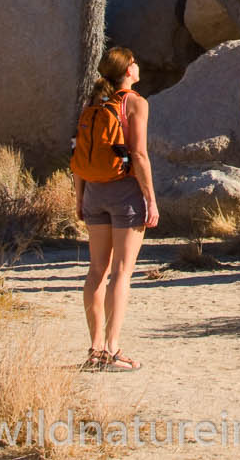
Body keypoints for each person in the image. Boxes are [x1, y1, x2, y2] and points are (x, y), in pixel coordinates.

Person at [70, 45, 159, 370]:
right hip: (124, 193)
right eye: (134, 63)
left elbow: (79, 157)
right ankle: (112, 348)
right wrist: (150, 198)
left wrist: (80, 197)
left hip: (94, 191)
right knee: (122, 272)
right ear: (127, 70)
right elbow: (138, 155)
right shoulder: (135, 103)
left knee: (97, 270)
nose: (138, 67)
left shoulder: (93, 104)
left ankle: (94, 350)